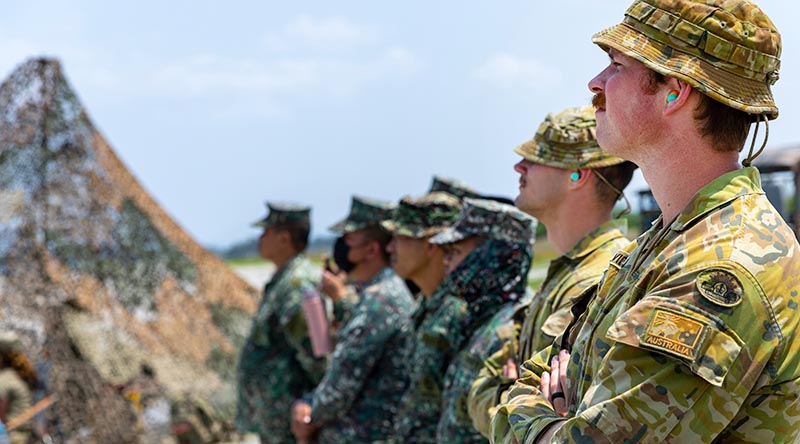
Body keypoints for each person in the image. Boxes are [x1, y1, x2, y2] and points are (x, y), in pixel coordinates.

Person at [491, 1, 800, 442]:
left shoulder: (721, 268)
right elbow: (538, 368)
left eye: (616, 65)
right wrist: (549, 415)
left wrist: (532, 414)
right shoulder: (668, 242)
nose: (596, 83)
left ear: (674, 91)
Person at [467, 105, 635, 437]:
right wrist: (522, 401)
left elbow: (566, 420)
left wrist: (512, 397)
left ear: (578, 175)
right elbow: (479, 389)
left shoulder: (600, 278)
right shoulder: (566, 271)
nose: (519, 166)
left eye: (538, 157)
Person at [292, 196, 415, 443]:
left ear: (371, 249)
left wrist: (308, 416)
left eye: (348, 239)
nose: (341, 247)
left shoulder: (381, 299)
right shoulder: (374, 293)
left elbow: (341, 386)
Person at [428, 198, 537, 443]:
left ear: (492, 257)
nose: (447, 262)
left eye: (455, 252)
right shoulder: (477, 316)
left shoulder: (516, 326)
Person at [381, 192, 468, 443]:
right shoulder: (426, 307)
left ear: (431, 244)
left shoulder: (458, 313)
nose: (390, 248)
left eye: (400, 238)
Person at [235, 202, 325, 444]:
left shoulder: (299, 285)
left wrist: (314, 403)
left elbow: (317, 353)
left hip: (289, 418)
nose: (260, 238)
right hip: (275, 416)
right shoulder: (284, 280)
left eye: (267, 232)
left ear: (285, 239)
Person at [0, 331, 35, 444]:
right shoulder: (18, 375)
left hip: (10, 437)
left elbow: (1, 418)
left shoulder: (4, 380)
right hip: (22, 436)